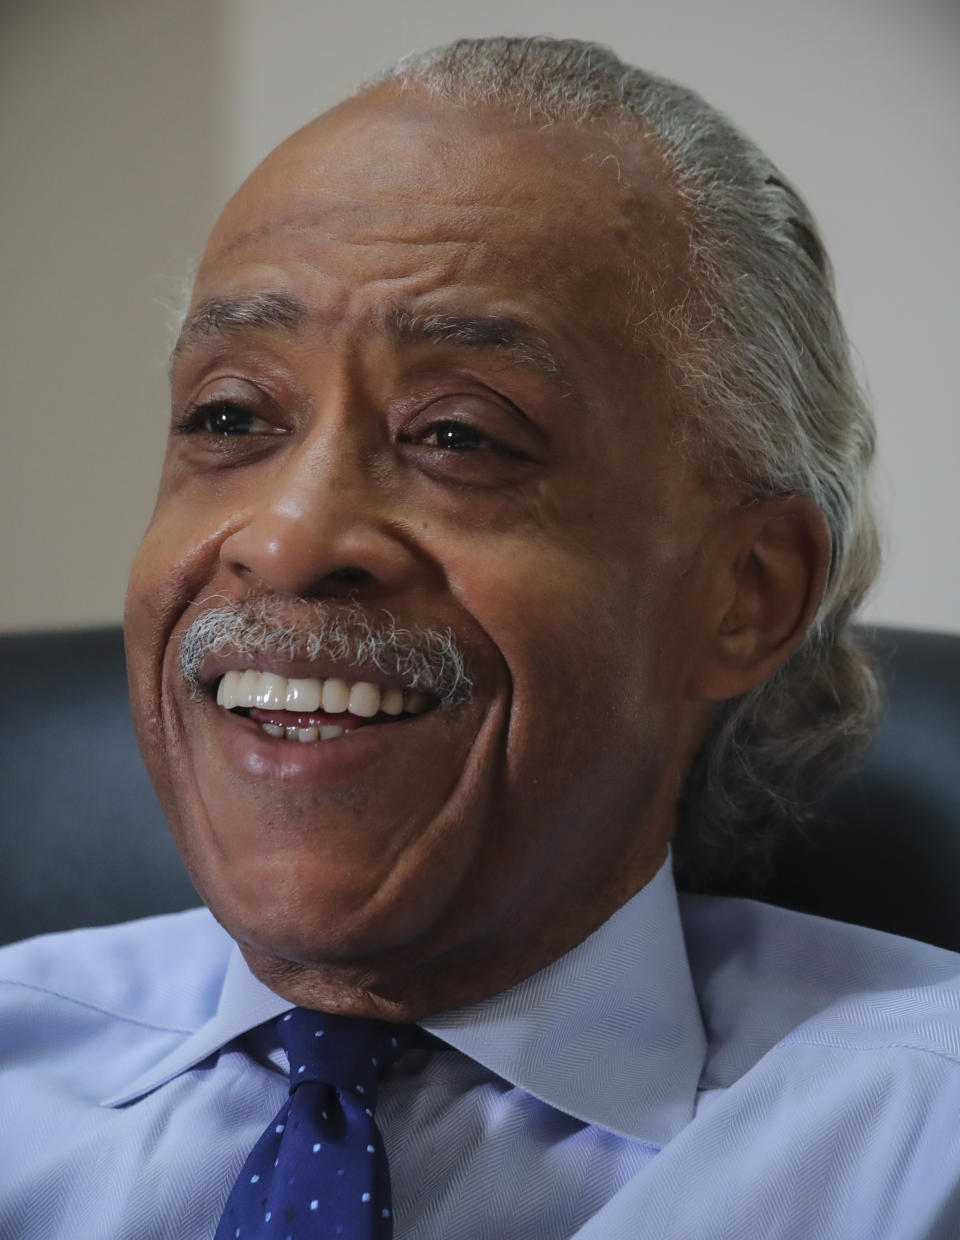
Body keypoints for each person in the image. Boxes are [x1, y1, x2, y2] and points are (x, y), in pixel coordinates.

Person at [2, 35, 959, 1240]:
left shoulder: (921, 1151)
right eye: (232, 415)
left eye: (460, 435)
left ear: (745, 593)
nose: (290, 540)